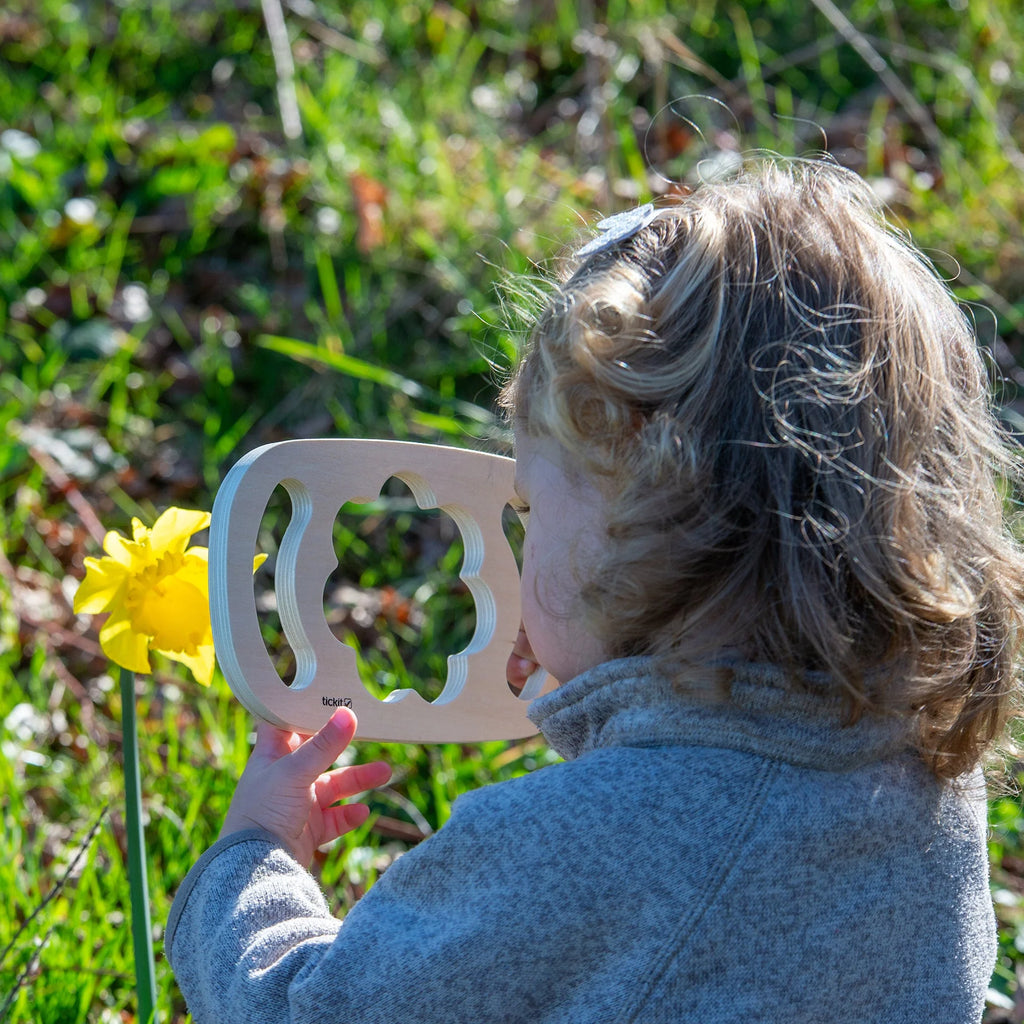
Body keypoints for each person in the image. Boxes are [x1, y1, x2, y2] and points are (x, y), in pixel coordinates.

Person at [166, 158, 1024, 1023]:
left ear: (646, 514)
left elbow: (304, 1014)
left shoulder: (563, 844)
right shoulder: (930, 792)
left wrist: (256, 856)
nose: (518, 537)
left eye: (531, 505)